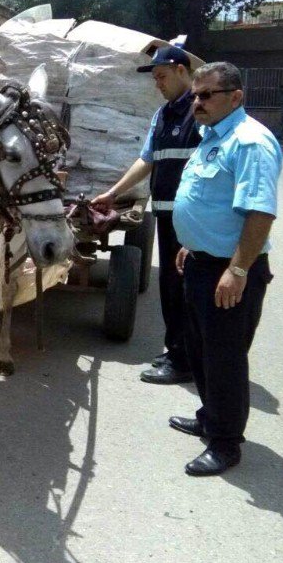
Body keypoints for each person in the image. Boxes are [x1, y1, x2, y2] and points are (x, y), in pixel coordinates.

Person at [170, 61, 282, 476]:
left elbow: (259, 212)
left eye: (206, 95)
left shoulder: (250, 142)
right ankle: (209, 417)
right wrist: (190, 244)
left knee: (224, 358)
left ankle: (226, 443)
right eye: (195, 95)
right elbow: (207, 199)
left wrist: (237, 269)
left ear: (235, 97)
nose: (196, 102)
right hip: (201, 263)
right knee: (199, 349)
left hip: (228, 271)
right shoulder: (213, 135)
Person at [92, 45, 200, 384]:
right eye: (155, 79)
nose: (158, 84)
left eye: (162, 77)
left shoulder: (200, 112)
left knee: (187, 288)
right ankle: (177, 351)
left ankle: (185, 360)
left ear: (182, 71)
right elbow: (147, 159)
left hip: (193, 220)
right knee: (171, 285)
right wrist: (113, 193)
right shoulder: (164, 114)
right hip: (168, 217)